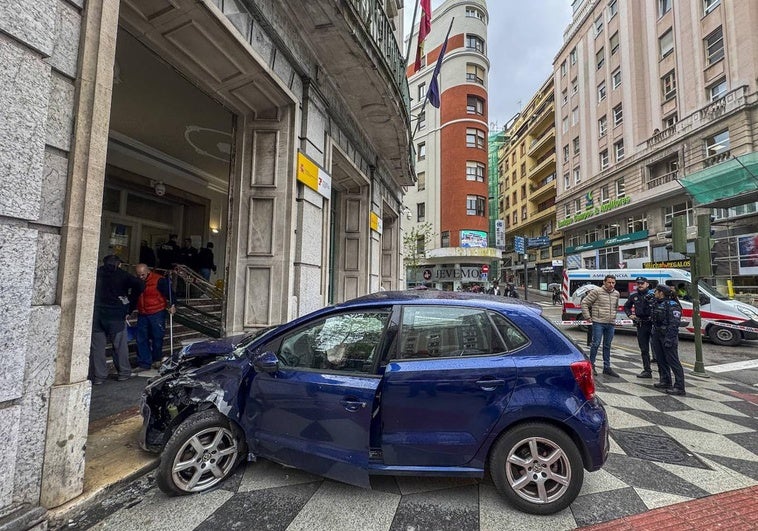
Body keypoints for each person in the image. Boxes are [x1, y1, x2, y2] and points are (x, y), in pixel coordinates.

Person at [90, 255, 143, 384]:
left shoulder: (95, 273)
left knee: (97, 347)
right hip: (116, 315)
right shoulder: (122, 274)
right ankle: (123, 373)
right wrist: (130, 304)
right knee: (119, 345)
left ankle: (98, 376)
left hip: (97, 315)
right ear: (118, 264)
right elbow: (140, 285)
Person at [133, 264, 175, 371]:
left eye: (142, 275)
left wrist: (173, 305)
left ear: (148, 271)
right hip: (143, 312)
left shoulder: (159, 280)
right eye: (138, 275)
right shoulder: (137, 281)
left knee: (157, 337)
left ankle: (157, 360)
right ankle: (144, 363)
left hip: (157, 312)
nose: (141, 277)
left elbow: (170, 294)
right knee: (141, 338)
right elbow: (134, 296)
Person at [581, 274, 620, 377]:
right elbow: (584, 303)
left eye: (613, 283)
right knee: (596, 343)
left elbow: (615, 307)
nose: (611, 284)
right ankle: (591, 366)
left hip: (610, 323)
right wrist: (587, 316)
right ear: (604, 282)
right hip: (598, 322)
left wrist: (614, 318)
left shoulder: (616, 293)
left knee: (607, 345)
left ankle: (607, 367)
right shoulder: (597, 292)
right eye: (609, 282)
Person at [650, 284, 686, 396]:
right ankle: (665, 380)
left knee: (673, 361)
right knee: (661, 360)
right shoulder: (657, 303)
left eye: (656, 291)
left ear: (661, 293)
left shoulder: (673, 305)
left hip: (667, 336)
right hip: (657, 334)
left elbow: (674, 324)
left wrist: (669, 339)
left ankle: (680, 386)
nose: (654, 293)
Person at [624, 276, 657, 378]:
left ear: (647, 284)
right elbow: (626, 306)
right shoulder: (634, 296)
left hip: (653, 323)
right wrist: (630, 315)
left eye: (642, 283)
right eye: (638, 283)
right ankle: (647, 370)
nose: (640, 285)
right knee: (644, 349)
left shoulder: (653, 295)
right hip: (641, 324)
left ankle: (663, 373)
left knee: (658, 348)